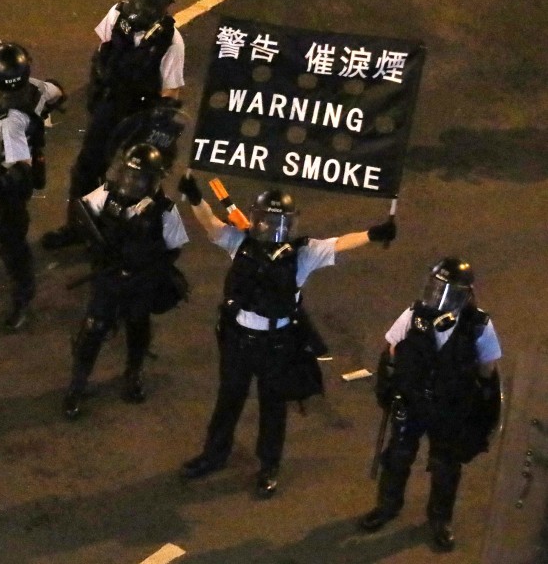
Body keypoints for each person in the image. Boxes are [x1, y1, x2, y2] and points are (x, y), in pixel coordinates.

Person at [176, 176, 397, 497]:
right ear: (256, 220)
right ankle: (214, 454)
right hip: (239, 339)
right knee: (229, 399)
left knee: (273, 405)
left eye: (278, 223)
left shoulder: (302, 253)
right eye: (267, 221)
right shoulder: (240, 242)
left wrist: (374, 234)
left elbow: (340, 242)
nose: (272, 229)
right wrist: (195, 198)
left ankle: (269, 465)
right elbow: (210, 225)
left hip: (276, 341)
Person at [358, 258, 502, 553]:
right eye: (436, 288)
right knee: (397, 457)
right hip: (412, 402)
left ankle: (440, 520)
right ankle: (387, 507)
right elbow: (392, 350)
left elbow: (488, 370)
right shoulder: (414, 315)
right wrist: (389, 389)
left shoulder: (478, 326)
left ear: (464, 295)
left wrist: (481, 414)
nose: (437, 297)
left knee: (446, 466)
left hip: (450, 408)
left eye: (445, 291)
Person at [41, 0, 185, 250]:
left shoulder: (171, 42)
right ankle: (79, 227)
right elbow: (103, 54)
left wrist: (156, 135)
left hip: (140, 116)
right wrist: (97, 93)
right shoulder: (117, 15)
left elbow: (170, 93)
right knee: (86, 169)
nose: (139, 8)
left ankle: (125, 240)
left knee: (133, 178)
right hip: (110, 106)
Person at [62, 143, 189, 420]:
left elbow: (174, 249)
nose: (131, 181)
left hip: (140, 282)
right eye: (129, 174)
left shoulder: (164, 210)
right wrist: (97, 249)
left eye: (139, 177)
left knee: (137, 326)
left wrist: (144, 261)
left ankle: (133, 374)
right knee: (93, 330)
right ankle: (77, 385)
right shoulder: (106, 194)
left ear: (152, 180)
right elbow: (81, 215)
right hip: (108, 277)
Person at [0, 42, 65, 331]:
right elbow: (56, 91)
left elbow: (19, 169)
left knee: (12, 242)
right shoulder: (36, 88)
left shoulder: (10, 120)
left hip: (9, 186)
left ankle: (23, 299)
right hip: (27, 163)